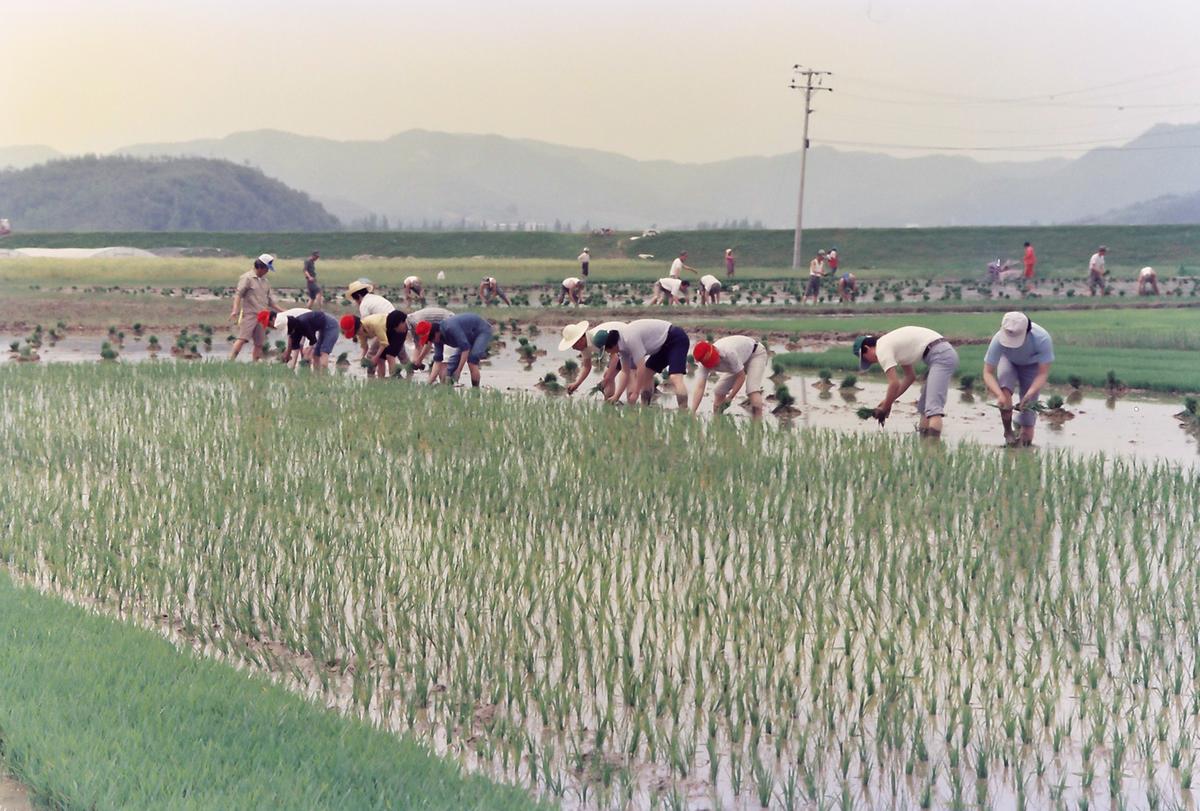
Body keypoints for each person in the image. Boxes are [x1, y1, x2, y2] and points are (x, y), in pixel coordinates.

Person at [853, 326, 959, 438]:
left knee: (933, 408)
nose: (870, 362)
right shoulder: (892, 345)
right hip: (940, 353)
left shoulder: (881, 349)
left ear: (867, 348)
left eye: (865, 358)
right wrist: (887, 402)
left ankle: (933, 450)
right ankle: (924, 444)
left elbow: (894, 383)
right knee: (923, 407)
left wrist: (884, 408)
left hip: (941, 355)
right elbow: (910, 377)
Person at [981, 312, 1054, 447]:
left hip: (1032, 366)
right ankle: (1008, 432)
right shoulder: (998, 340)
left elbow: (1043, 373)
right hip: (1008, 360)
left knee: (1028, 411)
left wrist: (1029, 394)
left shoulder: (1042, 339)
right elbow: (987, 372)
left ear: (1028, 332)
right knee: (1005, 396)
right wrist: (999, 395)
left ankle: (1025, 442)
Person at [596, 319, 690, 408]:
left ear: (611, 344)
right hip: (662, 346)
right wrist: (616, 396)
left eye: (607, 350)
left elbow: (640, 367)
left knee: (675, 377)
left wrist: (636, 392)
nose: (608, 353)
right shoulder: (621, 348)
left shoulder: (629, 338)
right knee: (646, 376)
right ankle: (645, 408)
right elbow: (625, 372)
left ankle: (683, 412)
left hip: (676, 338)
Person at [690, 336, 769, 419]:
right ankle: (717, 424)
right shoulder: (704, 365)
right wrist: (693, 412)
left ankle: (757, 427)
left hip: (755, 354)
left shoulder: (728, 352)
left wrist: (730, 398)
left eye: (714, 359)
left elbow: (741, 377)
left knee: (752, 390)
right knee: (719, 390)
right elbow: (700, 387)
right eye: (710, 363)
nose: (715, 363)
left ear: (715, 350)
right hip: (738, 361)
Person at [416, 313, 493, 387]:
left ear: (436, 332)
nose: (431, 341)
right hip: (467, 337)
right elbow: (437, 362)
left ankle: (475, 391)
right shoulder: (437, 339)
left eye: (430, 338)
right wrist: (428, 384)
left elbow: (465, 350)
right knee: (450, 369)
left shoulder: (450, 328)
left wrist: (459, 371)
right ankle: (446, 388)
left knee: (472, 361)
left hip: (481, 331)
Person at [558, 320, 628, 397]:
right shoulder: (584, 346)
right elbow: (586, 366)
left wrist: (606, 380)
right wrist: (576, 384)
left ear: (580, 340)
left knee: (615, 375)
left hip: (625, 339)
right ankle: (610, 402)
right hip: (617, 347)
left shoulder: (597, 339)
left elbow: (615, 357)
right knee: (608, 376)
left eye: (573, 345)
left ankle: (616, 400)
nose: (573, 348)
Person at [229, 254, 280, 361]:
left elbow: (272, 303)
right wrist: (235, 310)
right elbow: (238, 295)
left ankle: (254, 363)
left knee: (259, 343)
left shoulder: (266, 282)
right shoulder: (247, 278)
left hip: (263, 316)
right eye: (266, 269)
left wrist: (285, 312)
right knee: (242, 338)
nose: (267, 271)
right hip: (250, 314)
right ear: (260, 267)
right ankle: (230, 361)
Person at [346, 280, 396, 374]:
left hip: (385, 326)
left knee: (371, 355)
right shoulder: (375, 298)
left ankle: (370, 375)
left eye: (355, 299)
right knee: (384, 356)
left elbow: (364, 329)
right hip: (396, 325)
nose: (356, 302)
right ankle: (385, 378)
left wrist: (363, 356)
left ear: (359, 296)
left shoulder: (364, 305)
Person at [264, 308, 339, 372]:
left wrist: (308, 351)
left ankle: (324, 378)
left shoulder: (304, 323)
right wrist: (291, 369)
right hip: (320, 327)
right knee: (316, 355)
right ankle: (317, 378)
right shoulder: (294, 332)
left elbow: (313, 340)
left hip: (331, 325)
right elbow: (295, 351)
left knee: (323, 352)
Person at [340, 309, 409, 378]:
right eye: (356, 333)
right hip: (384, 333)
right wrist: (362, 357)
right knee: (381, 359)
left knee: (390, 355)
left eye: (357, 331)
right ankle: (381, 379)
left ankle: (395, 377)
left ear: (360, 325)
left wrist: (376, 357)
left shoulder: (375, 324)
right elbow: (365, 347)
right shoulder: (360, 333)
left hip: (395, 327)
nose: (358, 334)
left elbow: (384, 343)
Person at [406, 305, 455, 371]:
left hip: (449, 319)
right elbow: (418, 345)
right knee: (435, 345)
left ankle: (437, 364)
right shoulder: (411, 323)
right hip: (440, 321)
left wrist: (419, 360)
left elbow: (428, 343)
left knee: (444, 351)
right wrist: (415, 362)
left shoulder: (417, 322)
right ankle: (434, 363)